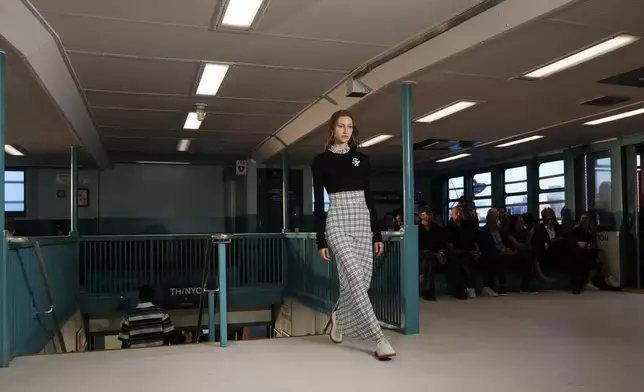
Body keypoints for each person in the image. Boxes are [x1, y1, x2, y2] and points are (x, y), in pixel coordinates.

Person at [312, 109, 395, 360]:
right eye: (340, 126)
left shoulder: (362, 159)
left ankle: (339, 316)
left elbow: (369, 197)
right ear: (332, 129)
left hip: (362, 222)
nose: (345, 130)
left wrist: (377, 234)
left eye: (349, 126)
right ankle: (379, 339)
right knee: (356, 281)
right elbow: (319, 202)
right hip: (337, 223)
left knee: (362, 282)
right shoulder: (320, 161)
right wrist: (321, 239)